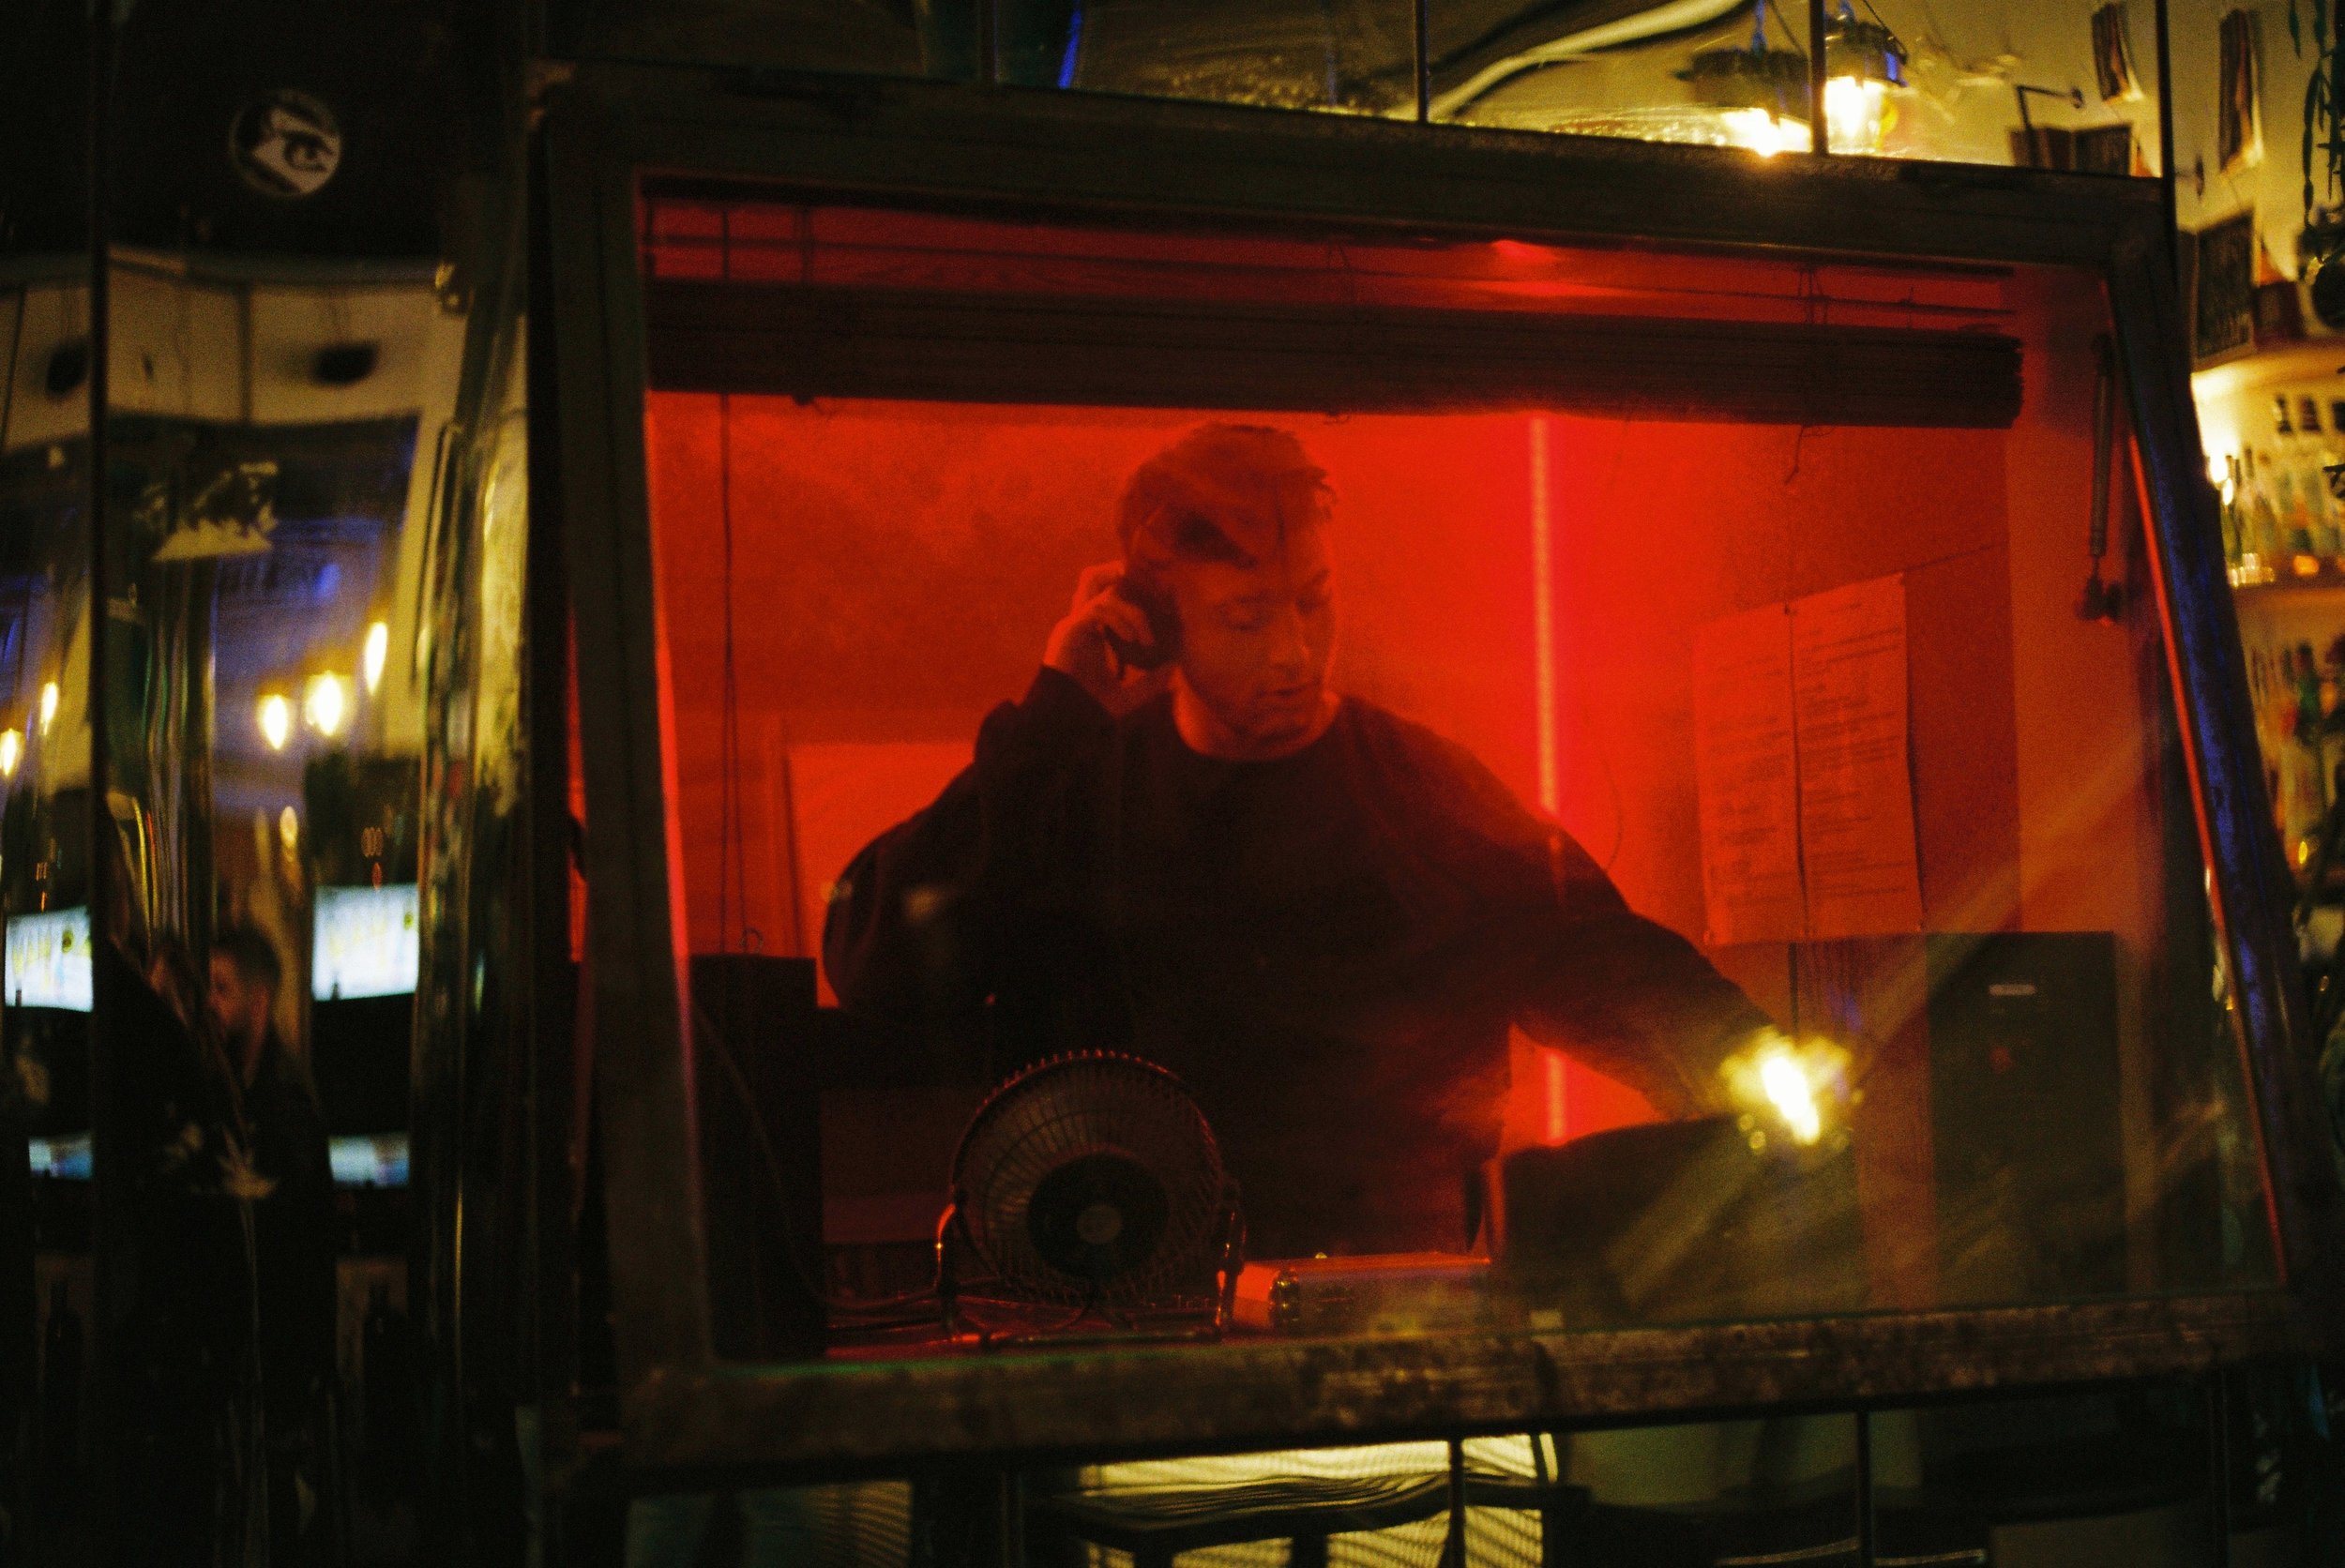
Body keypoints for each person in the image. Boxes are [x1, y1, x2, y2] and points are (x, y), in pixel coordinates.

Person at [824, 424, 1777, 1258]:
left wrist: (1759, 1069)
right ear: (1154, 621)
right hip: (1126, 1319)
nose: (1291, 652)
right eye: (1244, 616)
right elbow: (882, 964)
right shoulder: (1066, 786)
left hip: (1385, 1310)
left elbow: (1602, 964)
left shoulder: (1421, 788)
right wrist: (1052, 714)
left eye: (1313, 600)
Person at [207, 923, 337, 1557]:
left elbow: (305, 1254)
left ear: (258, 1002)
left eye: (221, 988)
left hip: (278, 1356)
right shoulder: (231, 1094)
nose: (210, 1003)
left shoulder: (286, 1110)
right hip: (250, 1352)